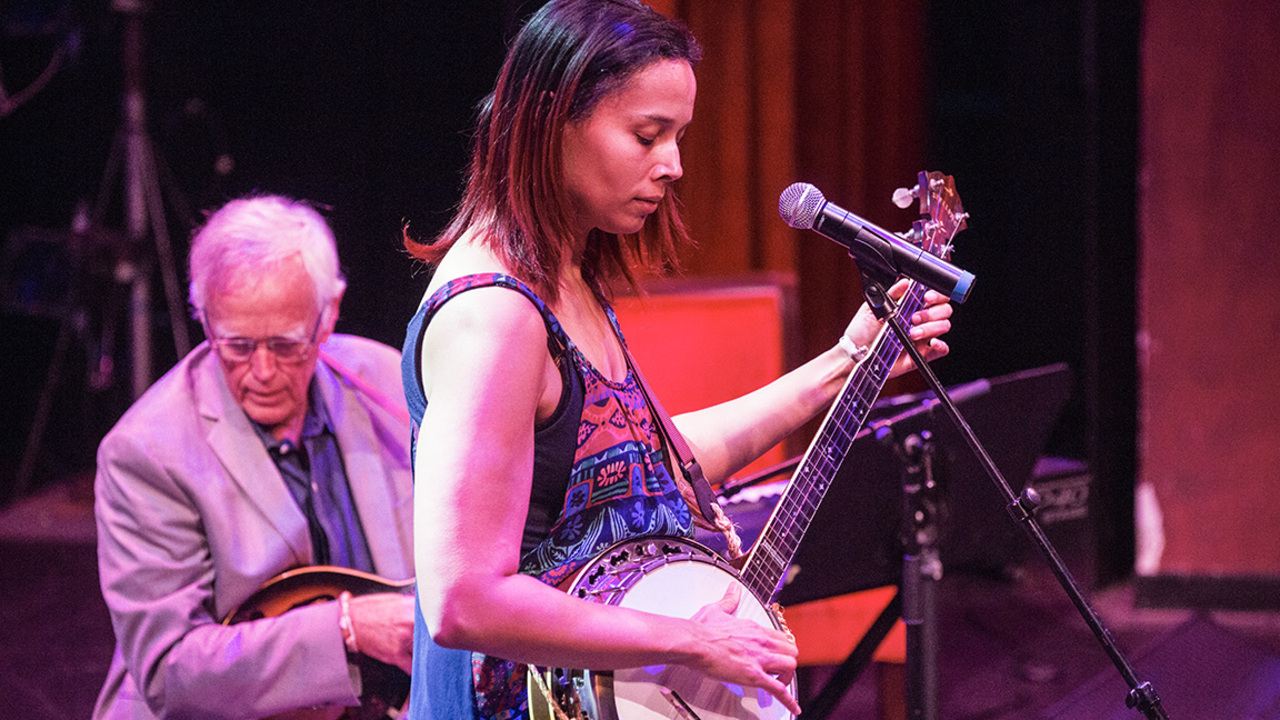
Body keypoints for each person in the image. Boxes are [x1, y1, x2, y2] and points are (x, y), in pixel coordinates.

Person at [401, 1, 954, 718]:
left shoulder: (566, 272)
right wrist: (690, 641)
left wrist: (846, 363)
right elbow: (462, 599)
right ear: (551, 119)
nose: (673, 166)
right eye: (647, 135)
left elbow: (644, 464)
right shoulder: (495, 315)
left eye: (679, 136)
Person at [92, 195, 416, 719]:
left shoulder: (386, 383)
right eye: (237, 345)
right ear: (205, 319)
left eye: (287, 344)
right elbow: (170, 672)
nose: (262, 372)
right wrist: (346, 630)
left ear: (329, 312)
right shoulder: (145, 452)